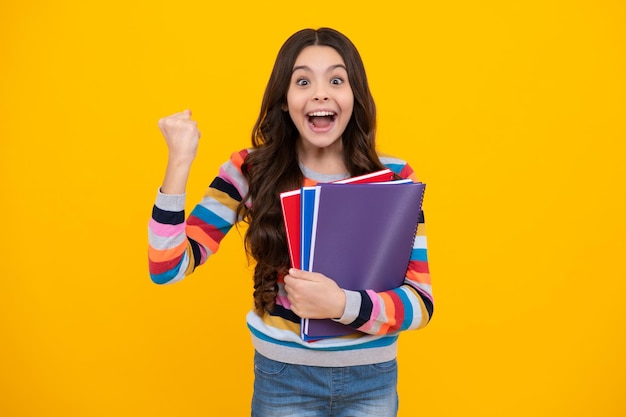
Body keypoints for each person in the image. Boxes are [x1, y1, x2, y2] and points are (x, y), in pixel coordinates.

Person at [148, 27, 433, 417]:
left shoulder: (396, 180)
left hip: (373, 381)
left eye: (336, 79)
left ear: (354, 97)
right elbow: (167, 267)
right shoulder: (249, 170)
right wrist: (179, 162)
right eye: (303, 81)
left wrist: (339, 304)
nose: (320, 93)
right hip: (283, 381)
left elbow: (421, 304)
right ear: (284, 100)